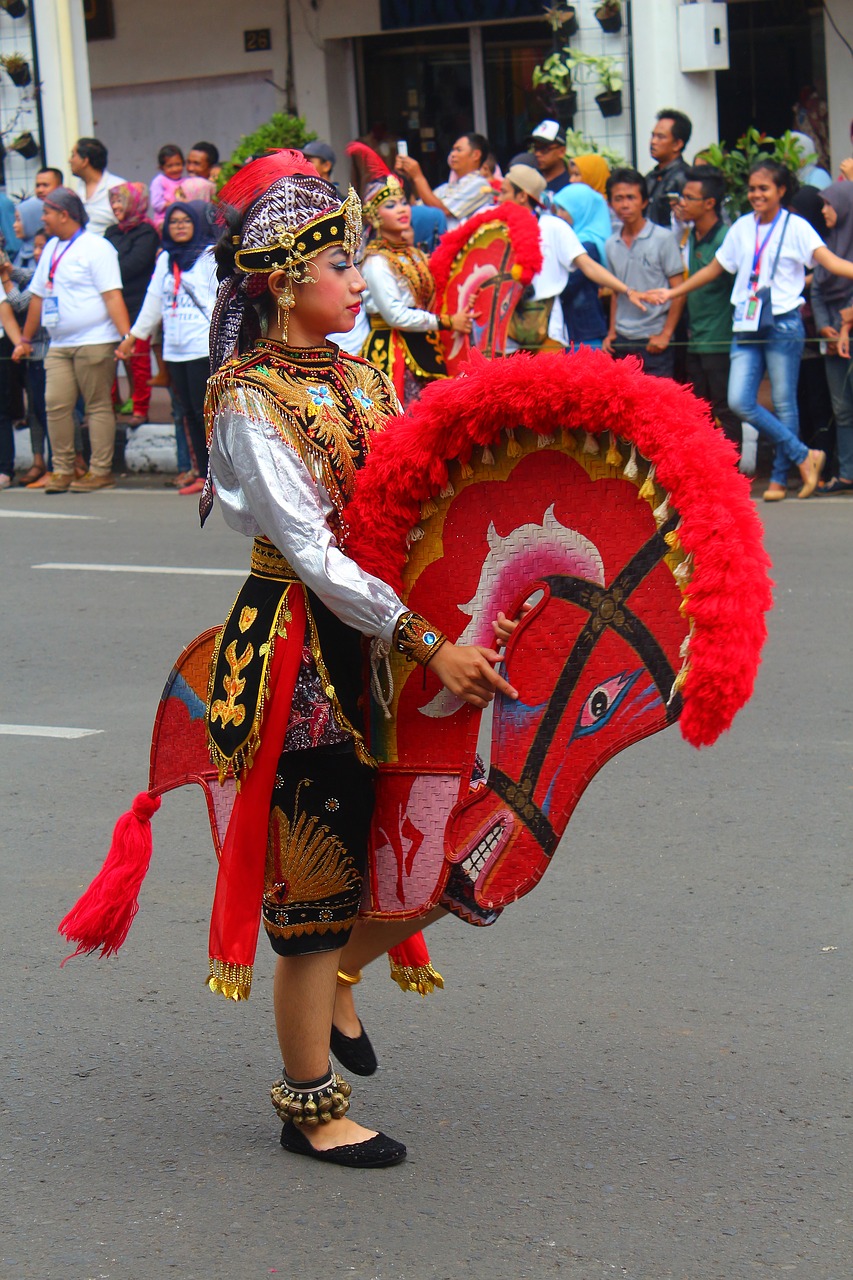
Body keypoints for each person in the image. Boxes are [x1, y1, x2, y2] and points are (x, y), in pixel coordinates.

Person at [201, 150, 516, 1166]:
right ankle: (309, 1107)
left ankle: (340, 978)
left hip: (380, 634)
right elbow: (315, 553)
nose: (360, 277)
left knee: (437, 853)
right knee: (317, 891)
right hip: (301, 650)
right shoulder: (249, 398)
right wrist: (430, 639)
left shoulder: (364, 374)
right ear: (289, 282)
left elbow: (414, 495)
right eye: (342, 265)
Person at [646, 160, 853, 500]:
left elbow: (829, 262)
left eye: (764, 189)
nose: (756, 194)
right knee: (740, 401)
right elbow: (714, 268)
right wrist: (672, 292)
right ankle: (805, 456)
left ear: (781, 191)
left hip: (784, 321)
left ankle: (780, 479)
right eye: (753, 189)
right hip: (746, 322)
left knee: (785, 403)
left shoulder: (797, 227)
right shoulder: (743, 227)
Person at [12, 188, 131, 492]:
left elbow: (112, 294)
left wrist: (126, 337)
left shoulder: (97, 247)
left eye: (47, 212)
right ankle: (63, 469)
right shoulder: (51, 246)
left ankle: (100, 471)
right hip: (59, 343)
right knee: (55, 405)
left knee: (97, 406)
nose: (43, 219)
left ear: (64, 215)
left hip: (95, 340)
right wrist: (24, 338)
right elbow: (38, 297)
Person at [352, 145, 470, 403]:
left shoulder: (413, 254)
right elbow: (395, 315)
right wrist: (447, 322)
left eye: (404, 202)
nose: (402, 209)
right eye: (391, 205)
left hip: (424, 345)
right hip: (393, 352)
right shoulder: (377, 263)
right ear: (375, 216)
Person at [115, 202, 217, 495]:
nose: (180, 226)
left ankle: (217, 474)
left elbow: (224, 298)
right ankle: (201, 473)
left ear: (197, 223)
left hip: (202, 346)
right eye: (174, 222)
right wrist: (133, 337)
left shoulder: (210, 256)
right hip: (174, 349)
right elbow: (152, 302)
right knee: (187, 412)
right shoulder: (165, 259)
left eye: (186, 220)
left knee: (205, 413)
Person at [500, 165, 645, 355]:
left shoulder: (553, 227)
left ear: (522, 196)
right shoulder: (497, 230)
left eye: (504, 192)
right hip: (506, 331)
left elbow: (588, 266)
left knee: (549, 384)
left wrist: (626, 290)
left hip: (547, 328)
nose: (499, 199)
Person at [676, 166, 740, 446]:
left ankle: (731, 476)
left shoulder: (727, 237)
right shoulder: (689, 235)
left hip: (720, 338)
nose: (682, 202)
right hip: (695, 338)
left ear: (710, 203)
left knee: (725, 409)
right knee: (699, 410)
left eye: (689, 197)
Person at [602, 167, 686, 377]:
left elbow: (679, 291)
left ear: (644, 201)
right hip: (621, 340)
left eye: (631, 197)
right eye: (618, 198)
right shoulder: (611, 244)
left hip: (653, 339)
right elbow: (615, 291)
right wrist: (611, 332)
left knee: (658, 405)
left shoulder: (663, 238)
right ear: (610, 204)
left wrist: (666, 334)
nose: (625, 204)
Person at [0, 204, 49, 485]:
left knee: (45, 409)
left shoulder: (49, 263)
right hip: (29, 349)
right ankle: (39, 461)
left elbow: (16, 302)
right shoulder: (27, 260)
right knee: (34, 411)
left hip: (40, 348)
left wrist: (5, 275)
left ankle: (55, 465)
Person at [105, 184, 161, 427]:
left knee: (138, 358)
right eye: (114, 201)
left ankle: (140, 407)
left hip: (138, 303)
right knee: (109, 355)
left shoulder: (147, 232)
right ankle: (110, 404)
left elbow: (134, 265)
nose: (116, 207)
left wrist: (107, 271)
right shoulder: (111, 232)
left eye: (121, 201)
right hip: (111, 303)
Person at [811, 182, 853, 492]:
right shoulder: (826, 245)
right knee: (842, 409)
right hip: (832, 337)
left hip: (849, 333)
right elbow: (816, 289)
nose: (823, 210)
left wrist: (849, 320)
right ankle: (847, 473)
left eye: (829, 204)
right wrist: (825, 325)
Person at [551, 180, 613, 349]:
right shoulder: (576, 239)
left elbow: (566, 285)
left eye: (564, 209)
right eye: (558, 209)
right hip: (574, 328)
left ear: (580, 210)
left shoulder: (587, 245)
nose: (559, 215)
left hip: (584, 330)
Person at [395, 133, 493, 230]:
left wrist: (417, 177)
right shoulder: (446, 187)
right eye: (452, 150)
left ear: (476, 155)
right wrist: (405, 179)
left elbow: (442, 211)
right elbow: (416, 208)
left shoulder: (480, 185)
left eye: (459, 150)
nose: (452, 154)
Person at [70, 137, 126, 236]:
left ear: (85, 161)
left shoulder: (118, 187)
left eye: (73, 155)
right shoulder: (78, 188)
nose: (69, 160)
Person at [646, 109, 692, 228]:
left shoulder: (686, 177)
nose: (653, 142)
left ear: (677, 144)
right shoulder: (651, 176)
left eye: (660, 137)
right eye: (653, 135)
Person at [525, 120, 571, 194]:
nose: (537, 154)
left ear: (562, 151)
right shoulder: (529, 182)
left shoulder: (571, 185)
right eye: (535, 148)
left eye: (544, 149)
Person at [149, 144, 185, 231]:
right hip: (164, 221)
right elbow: (156, 203)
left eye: (178, 164)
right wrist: (175, 204)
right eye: (170, 166)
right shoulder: (159, 181)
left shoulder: (186, 182)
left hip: (184, 220)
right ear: (161, 167)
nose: (175, 169)